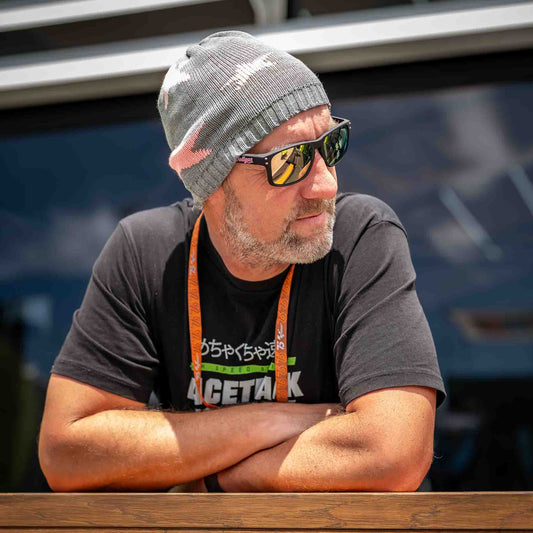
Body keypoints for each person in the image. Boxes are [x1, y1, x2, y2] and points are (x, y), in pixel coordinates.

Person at [38, 31, 445, 493]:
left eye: (331, 145)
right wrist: (268, 422)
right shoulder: (146, 251)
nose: (326, 185)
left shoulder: (359, 234)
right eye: (290, 162)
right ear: (211, 181)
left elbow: (393, 452)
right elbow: (67, 453)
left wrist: (212, 481)